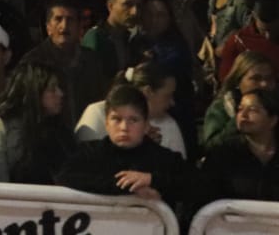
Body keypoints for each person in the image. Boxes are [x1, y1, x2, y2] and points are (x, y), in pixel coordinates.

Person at [56, 84, 194, 205]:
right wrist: (129, 188)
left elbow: (197, 184)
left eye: (133, 120)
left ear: (146, 125)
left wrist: (152, 179)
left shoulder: (164, 159)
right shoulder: (89, 153)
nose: (124, 127)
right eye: (116, 119)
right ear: (106, 123)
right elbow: (65, 177)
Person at [199, 87, 279, 205]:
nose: (243, 115)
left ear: (273, 120)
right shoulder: (222, 154)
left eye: (253, 110)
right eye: (240, 109)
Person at [0, 63, 73, 184]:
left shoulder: (62, 131)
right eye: (52, 89)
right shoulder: (5, 126)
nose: (60, 94)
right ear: (34, 92)